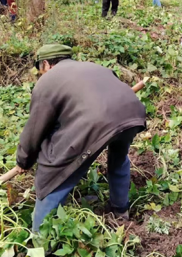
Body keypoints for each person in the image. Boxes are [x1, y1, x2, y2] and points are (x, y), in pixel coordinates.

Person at [13, 44, 146, 232]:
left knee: (53, 172)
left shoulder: (49, 80)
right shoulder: (95, 67)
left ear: (45, 64)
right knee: (118, 159)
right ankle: (121, 211)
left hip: (97, 122)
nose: (40, 75)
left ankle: (41, 239)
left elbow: (36, 128)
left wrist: (23, 160)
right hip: (132, 114)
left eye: (39, 70)